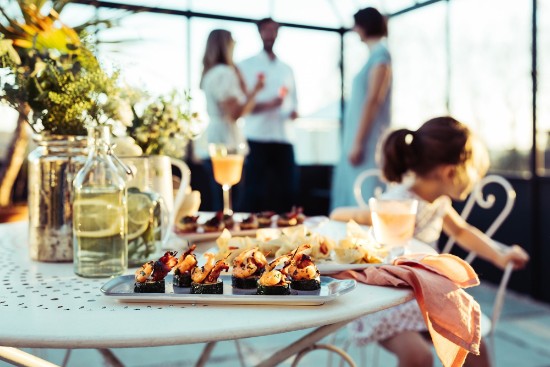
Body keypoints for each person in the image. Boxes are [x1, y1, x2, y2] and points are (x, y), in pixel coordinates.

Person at [331, 116, 530, 367]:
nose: (475, 181)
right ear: (450, 172)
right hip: (387, 298)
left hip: (425, 297)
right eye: (474, 173)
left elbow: (462, 231)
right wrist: (357, 214)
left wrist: (499, 255)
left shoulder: (439, 203)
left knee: (474, 348)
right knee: (418, 356)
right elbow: (342, 216)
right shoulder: (398, 203)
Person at [330, 7, 392, 211]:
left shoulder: (381, 56)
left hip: (367, 142)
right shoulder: (374, 56)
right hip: (358, 139)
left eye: (356, 25)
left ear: (364, 26)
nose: (354, 30)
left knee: (364, 196)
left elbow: (373, 99)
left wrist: (358, 142)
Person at [237, 18, 299, 213]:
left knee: (288, 190)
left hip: (283, 137)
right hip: (258, 137)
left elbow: (294, 102)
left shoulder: (287, 69)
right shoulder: (246, 65)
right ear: (260, 32)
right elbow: (242, 105)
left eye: (274, 30)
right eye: (266, 30)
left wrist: (293, 112)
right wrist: (269, 104)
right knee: (253, 191)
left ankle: (291, 233)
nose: (270, 34)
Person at [200, 29, 264, 211]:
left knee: (220, 198)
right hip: (226, 141)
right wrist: (256, 91)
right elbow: (236, 113)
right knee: (230, 199)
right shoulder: (224, 73)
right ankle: (228, 236)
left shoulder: (210, 73)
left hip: (214, 138)